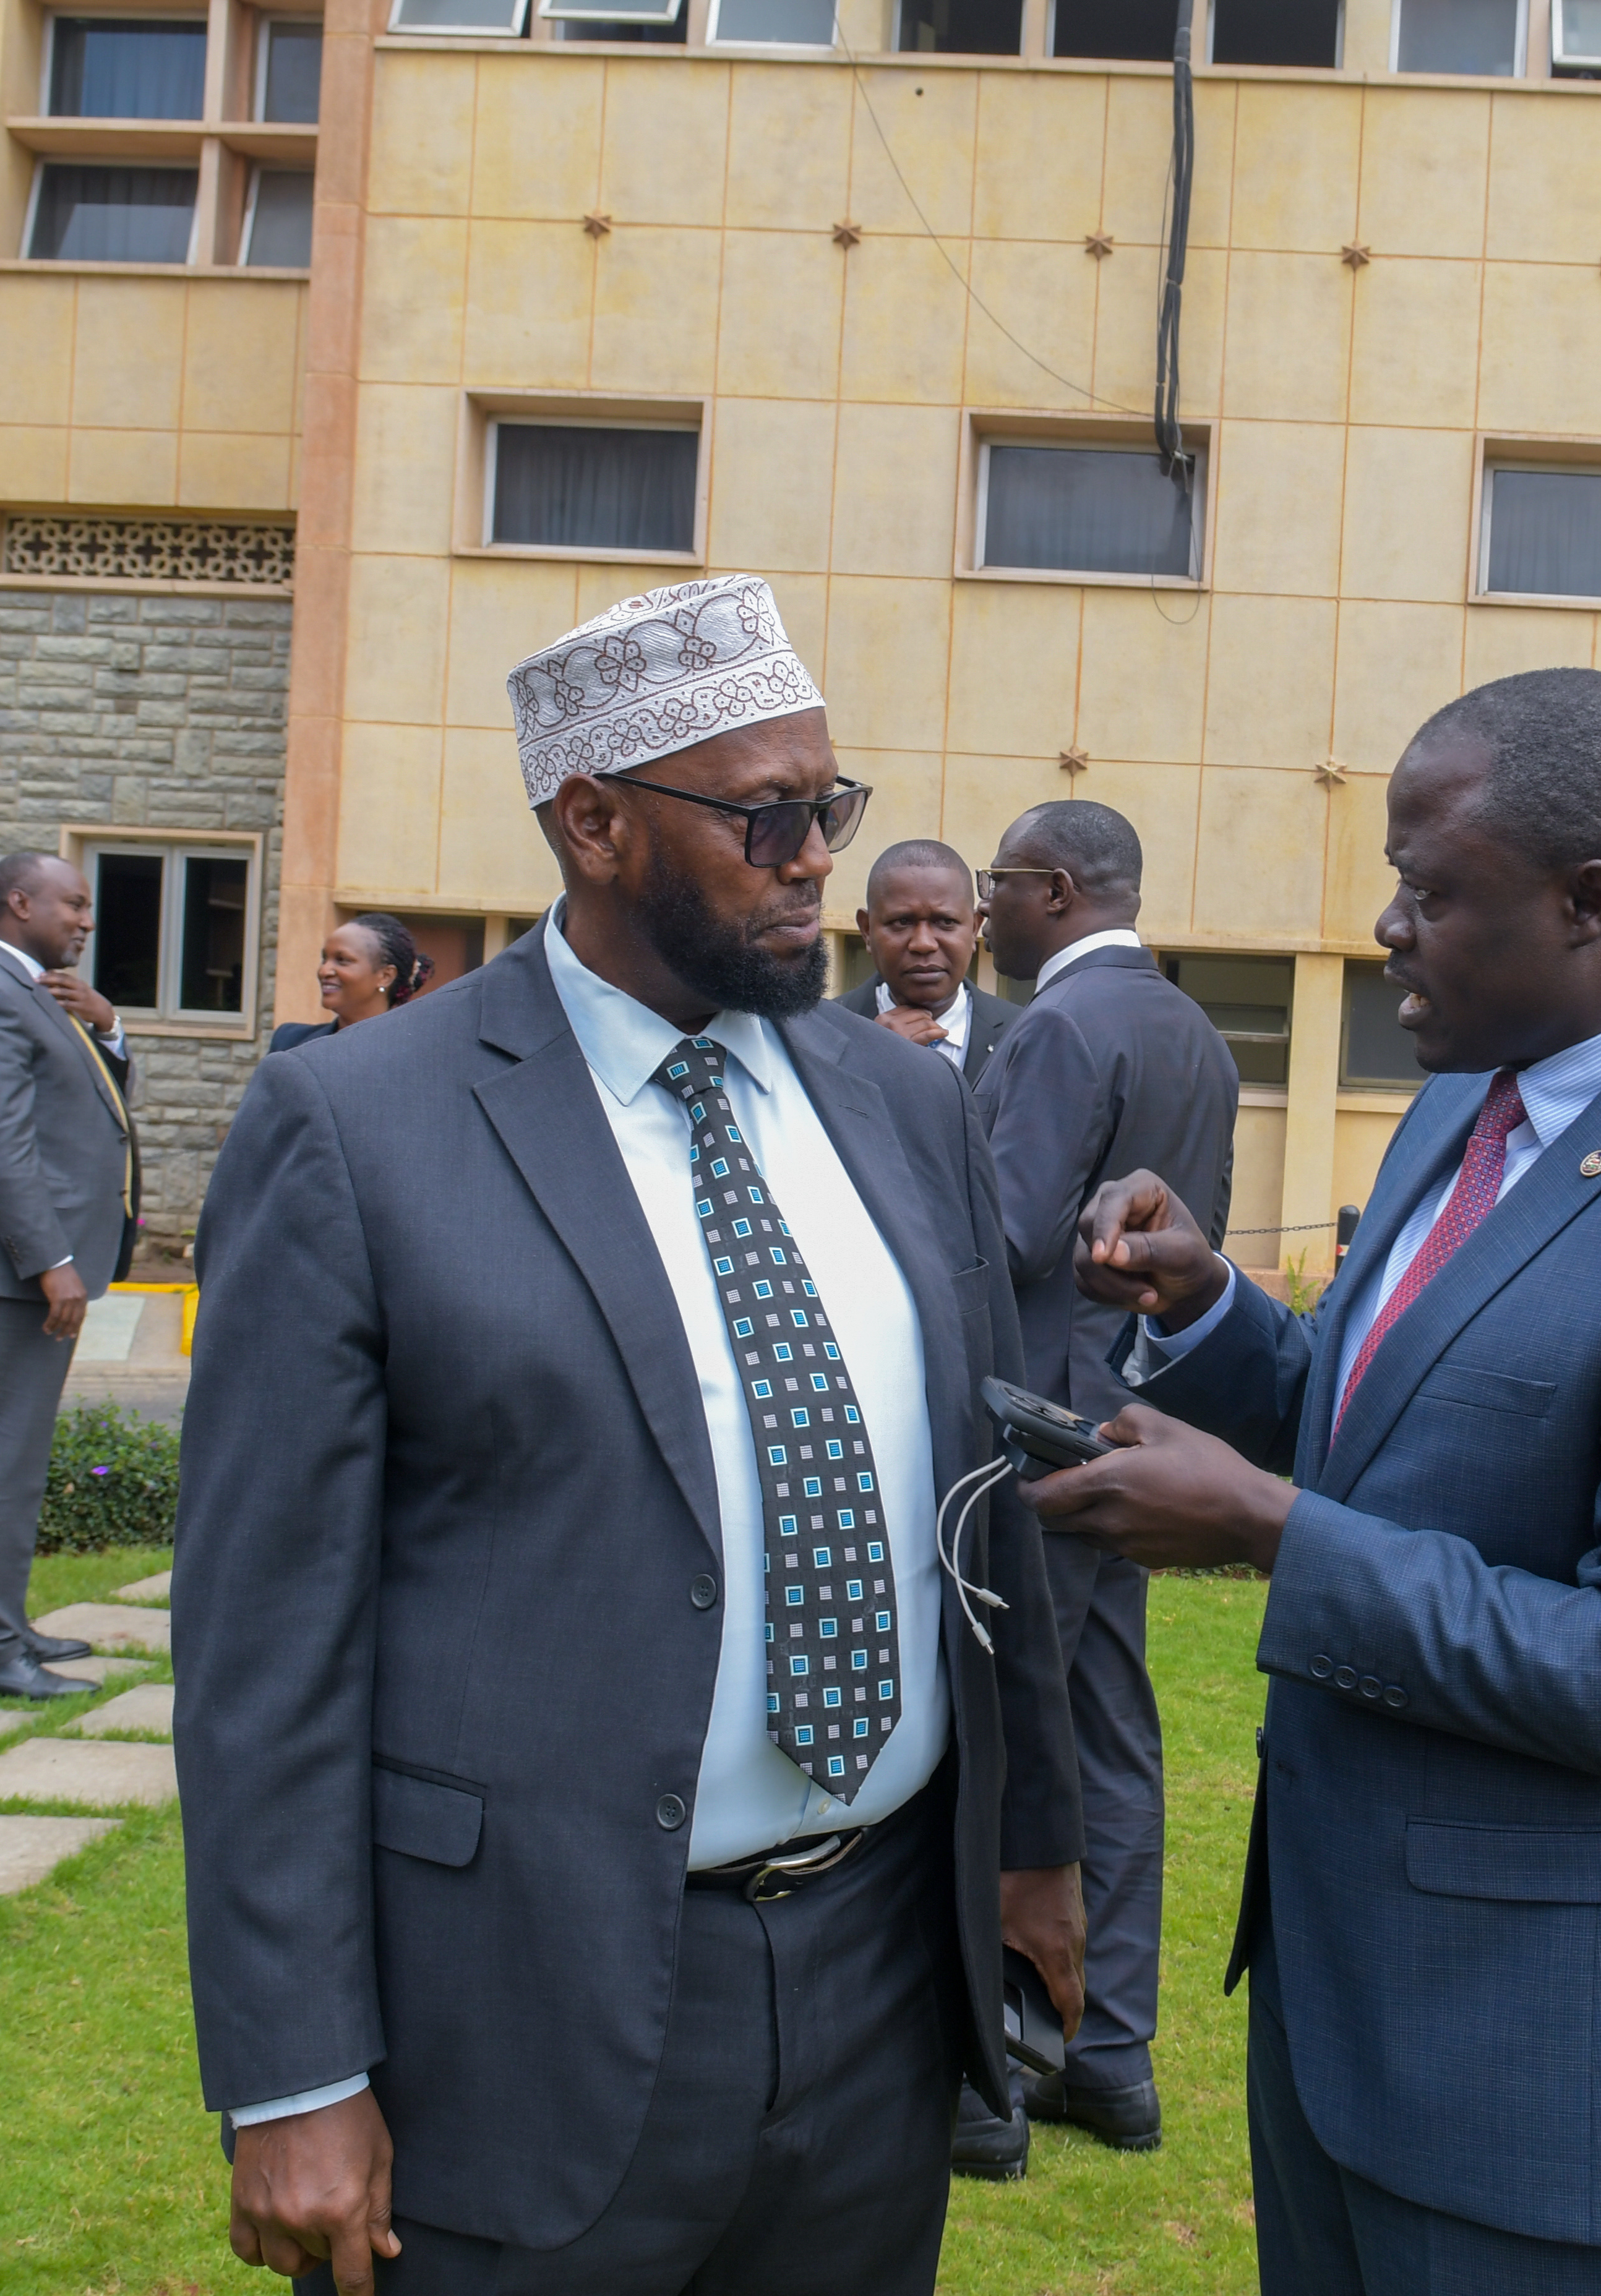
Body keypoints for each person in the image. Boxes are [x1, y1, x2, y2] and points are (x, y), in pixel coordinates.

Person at [176, 572, 1086, 2296]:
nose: (817, 856)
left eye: (830, 805)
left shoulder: (902, 1106)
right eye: (766, 816)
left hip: (881, 1978)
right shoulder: (357, 1129)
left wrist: (1033, 1841)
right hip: (521, 2007)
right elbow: (261, 1648)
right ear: (593, 823)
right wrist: (296, 2074)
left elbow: (987, 1503)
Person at [1034, 667, 1601, 2296]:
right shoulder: (1466, 1102)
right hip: (1343, 2012)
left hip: (1546, 2083)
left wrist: (1273, 1535)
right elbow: (1394, 1428)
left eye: (1431, 892)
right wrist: (1219, 1312)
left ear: (1592, 906)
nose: (1388, 927)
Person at [958, 799, 1238, 2174]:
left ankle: (993, 2082)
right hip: (1138, 1427)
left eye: (995, 885)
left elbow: (1003, 1228)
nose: (982, 911)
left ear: (1053, 890)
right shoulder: (1187, 1023)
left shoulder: (1063, 1025)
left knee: (1008, 1748)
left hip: (1040, 1442)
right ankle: (1110, 2059)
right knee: (1110, 1744)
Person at [0, 852, 138, 1701]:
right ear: (20, 902)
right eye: (72, 905)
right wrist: (52, 1263)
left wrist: (109, 1024)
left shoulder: (38, 993)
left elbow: (93, 1102)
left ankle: (2, 1626)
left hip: (32, 1270)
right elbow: (0, 1147)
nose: (85, 920)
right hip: (14, 1272)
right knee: (1, 1458)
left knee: (19, 1457)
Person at [833, 841, 1015, 1092]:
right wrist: (870, 1063)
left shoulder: (1022, 1035)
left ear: (974, 929)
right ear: (867, 930)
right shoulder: (818, 1033)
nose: (923, 944)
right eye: (902, 922)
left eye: (946, 922)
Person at [270, 914, 434, 1052]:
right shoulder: (289, 1042)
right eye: (324, 959)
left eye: (342, 961)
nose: (324, 971)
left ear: (385, 976)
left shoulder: (412, 1054)